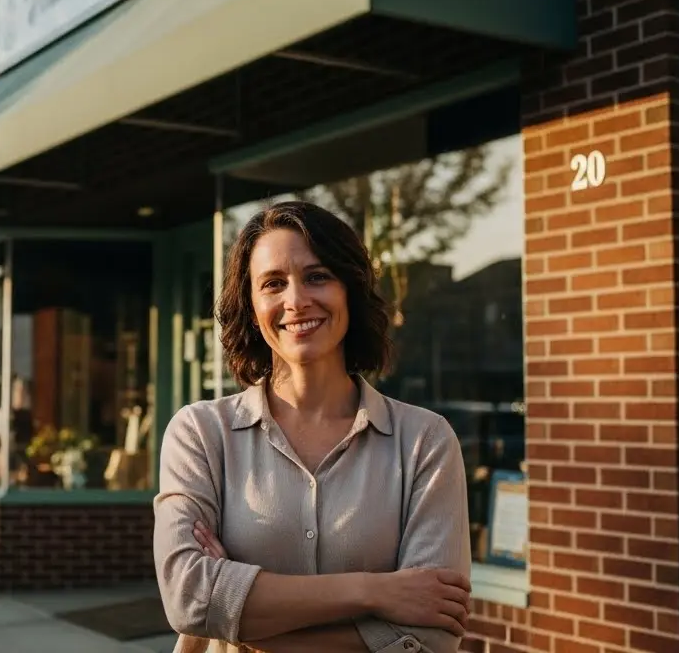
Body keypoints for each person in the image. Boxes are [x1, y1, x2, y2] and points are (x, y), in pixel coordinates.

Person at [153, 200, 473, 653]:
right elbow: (189, 599)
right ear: (251, 303)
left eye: (317, 276)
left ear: (350, 289)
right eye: (273, 283)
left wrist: (241, 623)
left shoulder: (424, 441)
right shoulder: (200, 435)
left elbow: (432, 635)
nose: (296, 300)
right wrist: (376, 592)